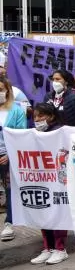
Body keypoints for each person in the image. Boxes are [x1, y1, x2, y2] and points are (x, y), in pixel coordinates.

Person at [28, 103, 70, 265]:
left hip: (56, 181)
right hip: (41, 179)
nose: (37, 120)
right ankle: (48, 248)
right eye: (35, 117)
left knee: (57, 213)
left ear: (51, 117)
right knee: (43, 213)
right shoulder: (33, 134)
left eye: (41, 116)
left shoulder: (60, 132)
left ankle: (60, 249)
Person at [0, 78, 28, 242]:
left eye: (1, 89)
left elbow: (20, 135)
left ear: (8, 91)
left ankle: (9, 223)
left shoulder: (16, 110)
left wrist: (10, 155)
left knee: (10, 189)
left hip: (7, 156)